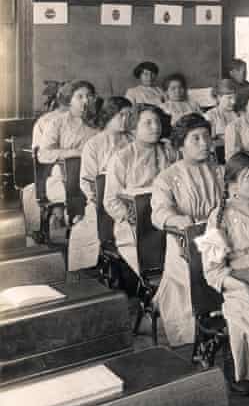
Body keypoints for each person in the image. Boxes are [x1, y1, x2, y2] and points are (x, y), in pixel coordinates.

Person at [200, 151, 249, 394]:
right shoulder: (218, 216)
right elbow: (212, 271)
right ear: (232, 184)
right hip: (240, 282)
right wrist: (242, 285)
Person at [151, 113, 224, 346]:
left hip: (220, 237)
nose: (204, 143)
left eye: (207, 137)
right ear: (180, 145)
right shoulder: (167, 177)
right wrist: (177, 219)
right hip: (187, 242)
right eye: (195, 139)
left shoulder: (219, 171)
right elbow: (158, 213)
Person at [105, 104, 177, 276]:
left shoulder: (168, 151)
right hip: (135, 224)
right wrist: (129, 215)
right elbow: (110, 200)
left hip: (167, 217)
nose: (155, 127)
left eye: (157, 122)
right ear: (133, 129)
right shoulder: (122, 158)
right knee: (144, 259)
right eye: (148, 123)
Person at [67, 96, 133, 271]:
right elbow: (86, 180)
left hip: (130, 197)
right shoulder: (94, 145)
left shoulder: (132, 141)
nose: (126, 120)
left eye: (129, 115)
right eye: (121, 115)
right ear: (109, 116)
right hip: (102, 202)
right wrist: (97, 200)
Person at [27, 80, 100, 240]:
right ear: (70, 100)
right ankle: (76, 224)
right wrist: (74, 152)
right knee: (73, 171)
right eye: (79, 97)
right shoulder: (57, 122)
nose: (85, 101)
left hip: (91, 173)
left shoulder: (96, 124)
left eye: (89, 96)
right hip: (61, 176)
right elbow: (43, 154)